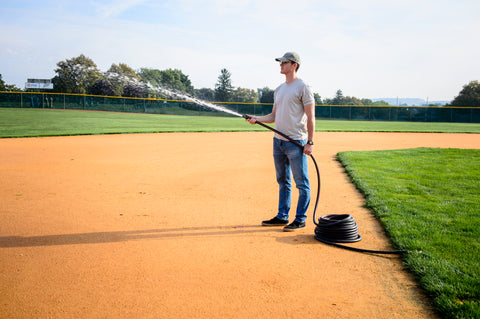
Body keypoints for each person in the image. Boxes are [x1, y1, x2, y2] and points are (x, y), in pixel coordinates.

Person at [245, 52, 315, 231]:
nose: (281, 65)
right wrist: (257, 119)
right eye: (281, 62)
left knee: (301, 183)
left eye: (284, 62)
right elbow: (273, 116)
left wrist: (310, 142)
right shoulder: (279, 89)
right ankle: (282, 216)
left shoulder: (303, 87)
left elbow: (310, 117)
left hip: (296, 142)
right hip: (279, 142)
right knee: (283, 181)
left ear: (294, 65)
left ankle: (300, 219)